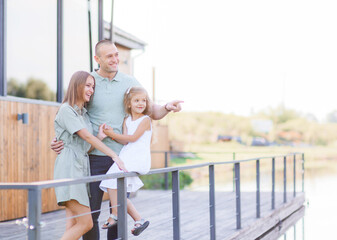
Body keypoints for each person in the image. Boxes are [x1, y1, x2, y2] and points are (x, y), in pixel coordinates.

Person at [51, 40, 183, 240]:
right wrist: (60, 139)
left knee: (118, 214)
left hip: (122, 158)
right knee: (89, 216)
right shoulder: (89, 82)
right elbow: (73, 113)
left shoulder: (130, 82)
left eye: (116, 54)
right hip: (92, 158)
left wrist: (166, 107)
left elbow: (151, 109)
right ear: (97, 59)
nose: (115, 59)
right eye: (109, 56)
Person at [53, 71, 127, 240]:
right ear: (76, 86)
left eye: (93, 86)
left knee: (72, 225)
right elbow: (86, 136)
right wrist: (114, 155)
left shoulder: (83, 114)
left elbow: (84, 144)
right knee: (86, 223)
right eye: (87, 85)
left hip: (81, 168)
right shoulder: (66, 110)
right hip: (70, 169)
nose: (91, 90)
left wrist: (100, 136)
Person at [100, 86, 152, 236]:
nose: (141, 103)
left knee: (113, 180)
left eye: (144, 100)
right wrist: (110, 132)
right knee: (113, 184)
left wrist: (111, 135)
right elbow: (125, 142)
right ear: (129, 103)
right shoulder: (126, 120)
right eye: (137, 100)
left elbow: (133, 138)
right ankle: (139, 219)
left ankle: (115, 215)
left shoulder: (145, 120)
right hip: (127, 155)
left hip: (138, 158)